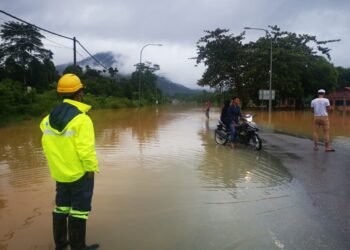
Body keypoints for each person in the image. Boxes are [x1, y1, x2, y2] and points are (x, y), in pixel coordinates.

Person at [40, 73, 100, 250]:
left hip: (60, 173)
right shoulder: (82, 119)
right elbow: (86, 150)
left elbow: (48, 144)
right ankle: (78, 247)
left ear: (61, 93)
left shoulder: (47, 120)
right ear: (79, 93)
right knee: (79, 211)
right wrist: (90, 170)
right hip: (80, 173)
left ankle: (60, 244)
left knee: (61, 207)